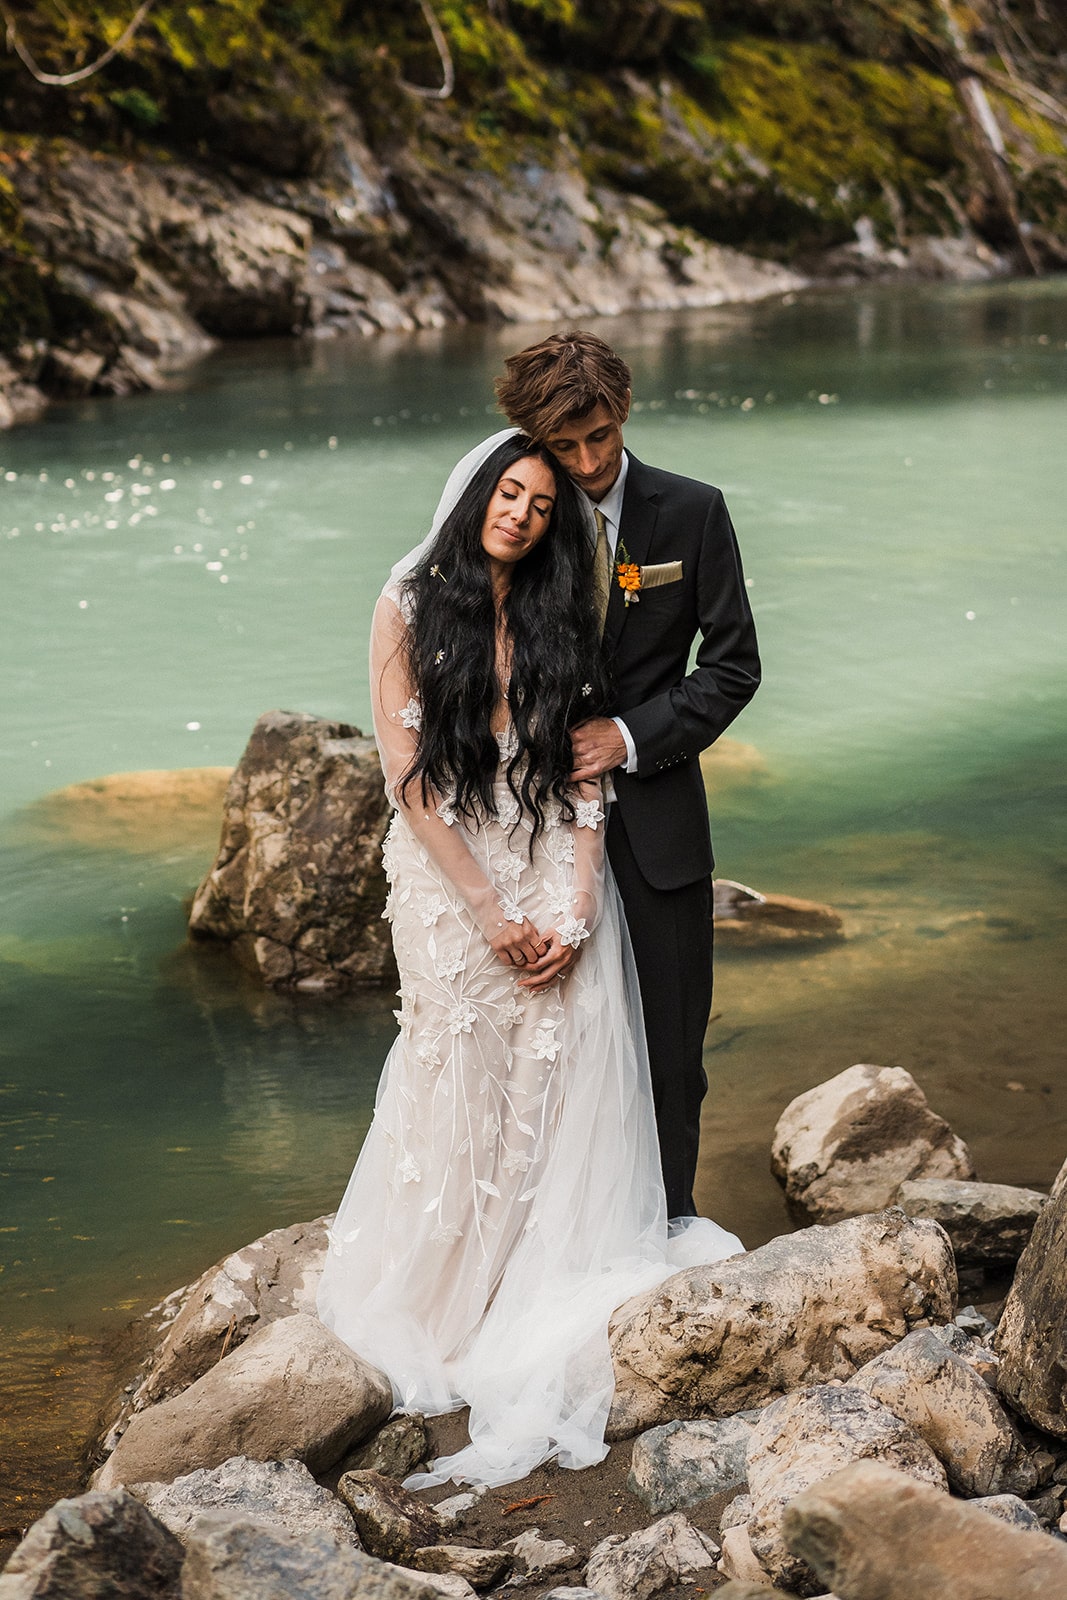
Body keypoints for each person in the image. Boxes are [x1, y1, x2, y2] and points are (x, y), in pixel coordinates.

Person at [317, 431, 741, 1490]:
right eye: (507, 493)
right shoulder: (404, 608)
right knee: (455, 1076)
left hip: (550, 856)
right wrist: (489, 914)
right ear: (470, 497)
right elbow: (410, 785)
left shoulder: (558, 613)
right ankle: (444, 1293)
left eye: (540, 504)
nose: (520, 513)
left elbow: (581, 770)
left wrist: (576, 904)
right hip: (452, 875)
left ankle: (527, 1283)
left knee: (554, 1073)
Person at [494, 333, 761, 1221]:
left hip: (658, 832)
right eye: (563, 447)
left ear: (624, 411)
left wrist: (630, 735)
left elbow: (732, 667)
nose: (586, 462)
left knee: (671, 1052)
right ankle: (540, 1236)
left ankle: (669, 1228)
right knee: (541, 1046)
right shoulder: (517, 515)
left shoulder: (692, 511)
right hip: (530, 828)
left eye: (599, 437)